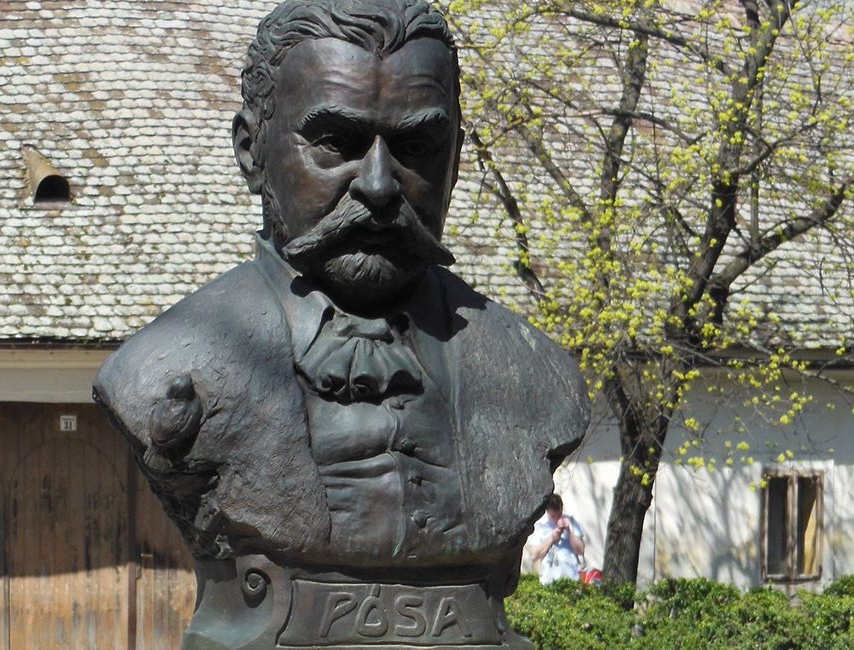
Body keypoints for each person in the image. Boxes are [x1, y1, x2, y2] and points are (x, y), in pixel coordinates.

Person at [94, 1, 589, 647]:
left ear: (455, 159)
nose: (379, 185)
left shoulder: (536, 373)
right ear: (251, 151)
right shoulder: (167, 367)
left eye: (416, 147)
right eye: (336, 143)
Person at [528, 493, 588, 585]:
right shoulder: (540, 526)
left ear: (562, 509)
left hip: (573, 578)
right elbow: (534, 556)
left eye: (559, 514)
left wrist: (569, 531)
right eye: (553, 516)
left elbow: (581, 551)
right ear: (547, 511)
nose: (556, 518)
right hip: (549, 581)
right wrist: (551, 539)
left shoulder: (572, 522)